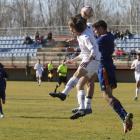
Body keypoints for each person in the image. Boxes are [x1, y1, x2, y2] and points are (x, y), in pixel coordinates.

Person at [49, 17, 101, 119]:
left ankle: (64, 94)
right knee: (79, 85)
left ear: (74, 28)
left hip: (93, 60)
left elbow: (94, 50)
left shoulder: (85, 36)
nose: (70, 30)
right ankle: (81, 109)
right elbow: (83, 53)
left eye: (70, 28)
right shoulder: (80, 36)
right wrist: (72, 61)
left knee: (76, 74)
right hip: (90, 60)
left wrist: (87, 62)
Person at [92, 20, 133, 133]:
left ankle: (123, 116)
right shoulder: (110, 36)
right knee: (109, 95)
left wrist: (75, 49)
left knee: (106, 96)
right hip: (109, 67)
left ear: (100, 29)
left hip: (104, 68)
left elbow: (91, 48)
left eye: (96, 30)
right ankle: (124, 117)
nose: (95, 33)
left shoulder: (101, 39)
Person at [66, 14, 99, 115]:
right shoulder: (88, 28)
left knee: (84, 83)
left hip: (94, 58)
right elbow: (86, 45)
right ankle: (86, 107)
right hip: (96, 57)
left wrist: (88, 59)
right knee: (89, 83)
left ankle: (84, 107)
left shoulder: (88, 29)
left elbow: (90, 46)